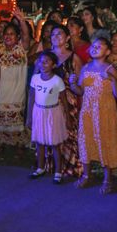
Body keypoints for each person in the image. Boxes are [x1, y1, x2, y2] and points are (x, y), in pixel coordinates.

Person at [69, 38, 117, 194]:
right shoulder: (86, 68)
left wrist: (113, 80)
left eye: (99, 46)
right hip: (88, 111)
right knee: (86, 140)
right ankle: (87, 174)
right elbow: (80, 91)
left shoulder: (110, 69)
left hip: (105, 112)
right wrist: (73, 84)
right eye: (93, 46)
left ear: (107, 52)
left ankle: (108, 179)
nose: (95, 48)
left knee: (105, 141)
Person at [28, 50, 72, 184]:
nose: (43, 64)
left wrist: (68, 118)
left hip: (53, 113)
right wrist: (29, 117)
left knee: (54, 144)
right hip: (38, 111)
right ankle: (40, 168)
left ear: (53, 65)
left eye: (47, 61)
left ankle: (58, 172)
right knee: (40, 142)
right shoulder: (35, 78)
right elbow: (31, 97)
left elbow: (64, 100)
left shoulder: (57, 81)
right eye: (41, 61)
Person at [0, 22, 30, 156]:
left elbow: (26, 35)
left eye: (12, 34)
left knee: (16, 121)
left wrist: (21, 20)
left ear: (18, 36)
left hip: (16, 94)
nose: (8, 36)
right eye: (6, 34)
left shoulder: (22, 49)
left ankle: (19, 146)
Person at [48, 25, 83, 178]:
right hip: (49, 101)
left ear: (68, 38)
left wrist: (74, 87)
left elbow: (81, 85)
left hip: (68, 102)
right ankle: (52, 166)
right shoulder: (46, 57)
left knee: (68, 133)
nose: (56, 36)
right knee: (50, 133)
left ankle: (69, 165)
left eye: (60, 34)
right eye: (53, 34)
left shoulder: (74, 58)